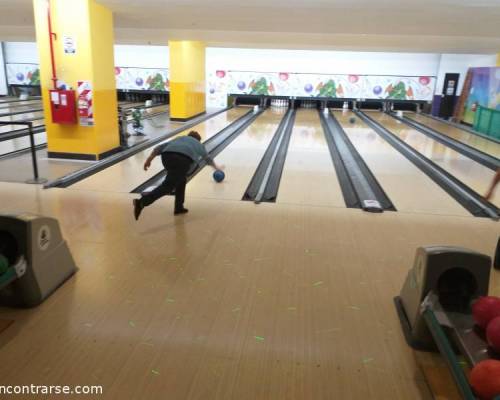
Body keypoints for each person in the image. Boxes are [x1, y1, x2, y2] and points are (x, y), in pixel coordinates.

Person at [133, 131, 223, 220]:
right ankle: (141, 203)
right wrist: (216, 168)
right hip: (182, 160)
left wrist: (148, 160)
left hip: (166, 156)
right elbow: (207, 158)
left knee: (181, 179)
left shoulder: (180, 138)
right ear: (198, 140)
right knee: (168, 186)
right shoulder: (198, 144)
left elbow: (158, 148)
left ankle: (179, 207)